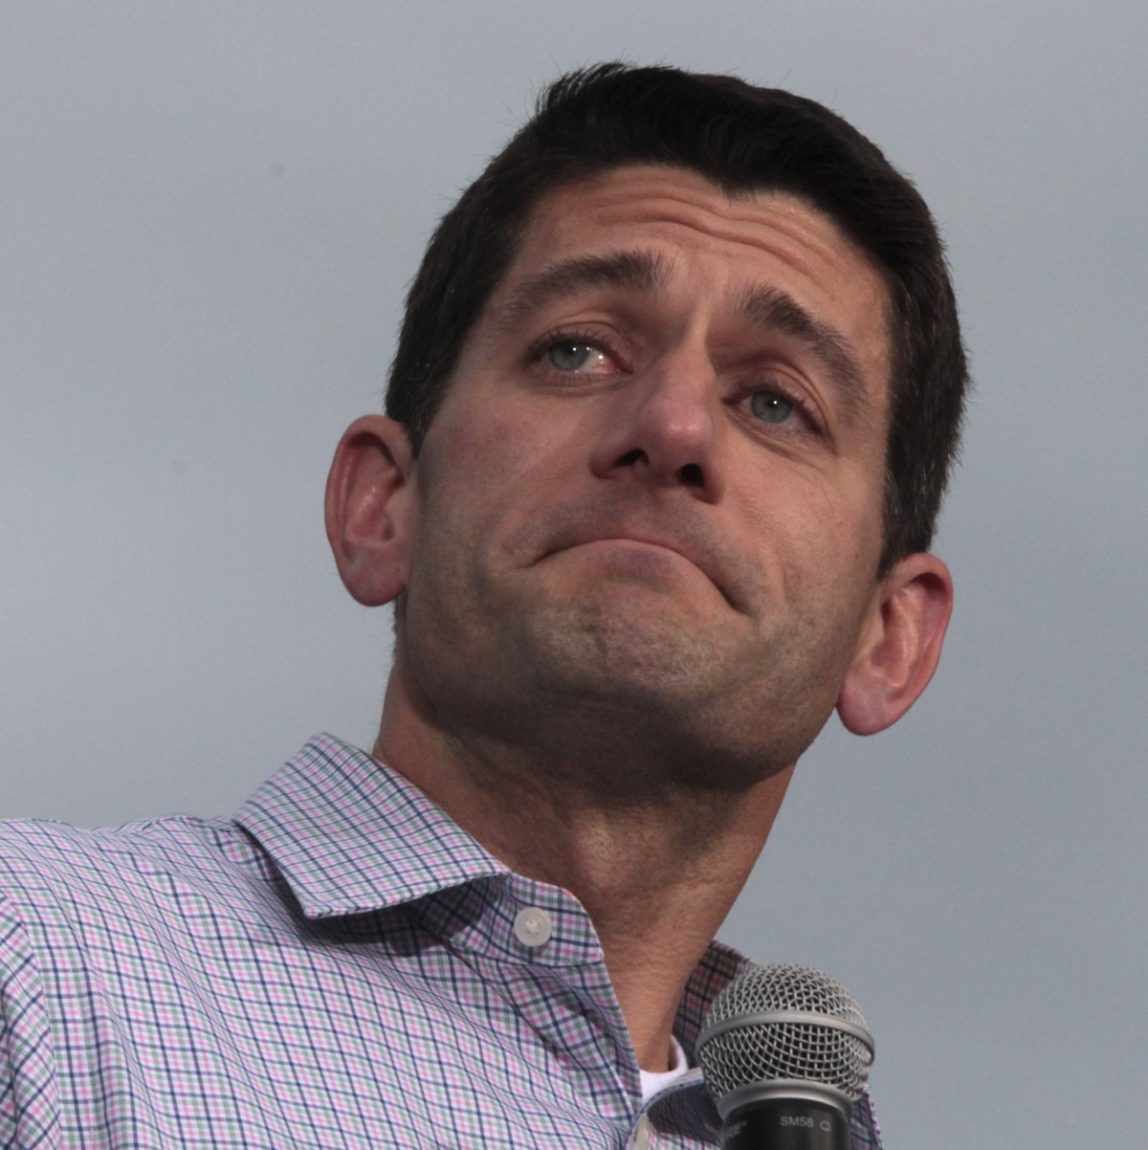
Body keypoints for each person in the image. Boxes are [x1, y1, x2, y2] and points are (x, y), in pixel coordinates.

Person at [0, 63, 966, 1148]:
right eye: (575, 349)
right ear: (382, 506)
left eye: (775, 401)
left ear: (888, 639)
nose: (674, 427)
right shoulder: (35, 965)